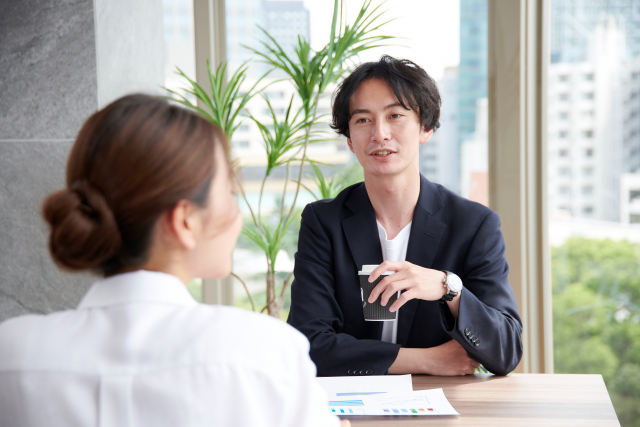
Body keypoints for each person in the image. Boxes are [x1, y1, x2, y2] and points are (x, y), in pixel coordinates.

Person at [0, 94, 346, 427]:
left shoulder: (11, 353)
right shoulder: (265, 352)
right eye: (229, 191)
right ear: (185, 222)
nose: (237, 212)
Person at [287, 55, 523, 377]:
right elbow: (308, 345)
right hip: (353, 409)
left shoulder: (473, 225)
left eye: (395, 115)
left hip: (446, 406)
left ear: (425, 127)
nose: (379, 133)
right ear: (349, 141)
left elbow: (506, 349)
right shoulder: (323, 222)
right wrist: (427, 360)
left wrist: (447, 288)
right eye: (362, 120)